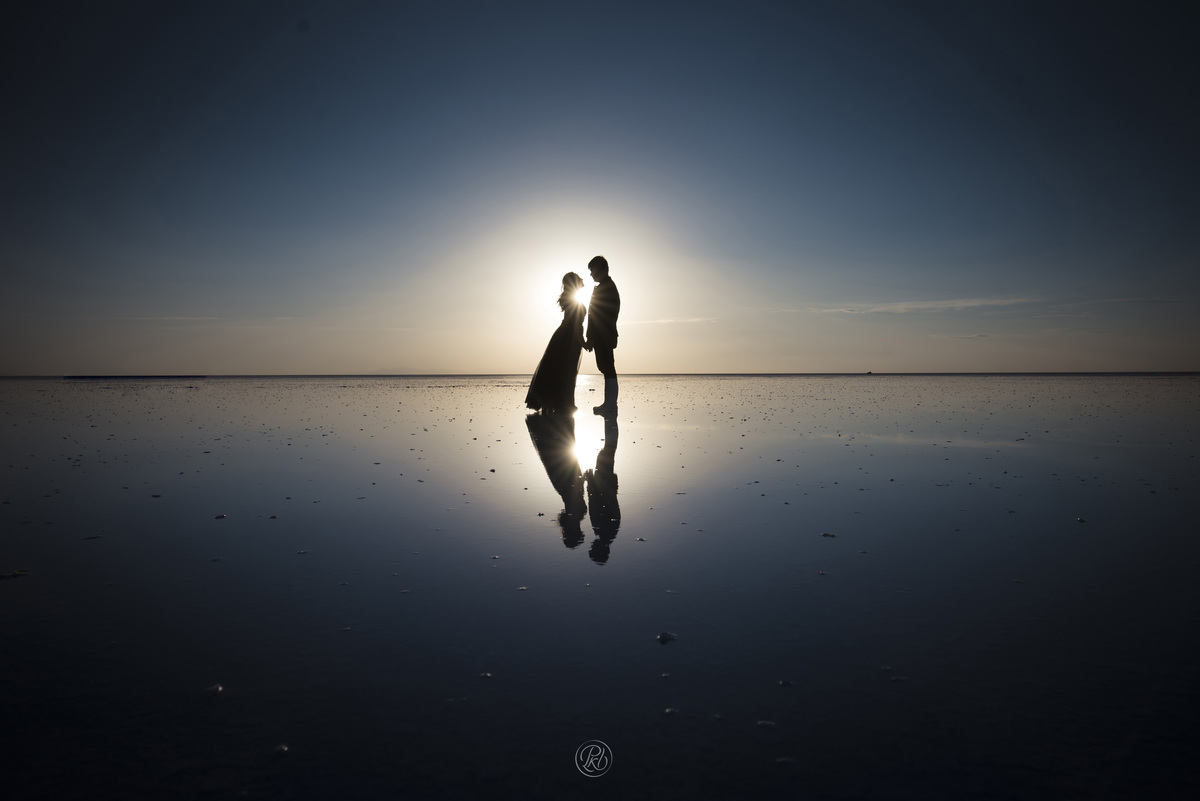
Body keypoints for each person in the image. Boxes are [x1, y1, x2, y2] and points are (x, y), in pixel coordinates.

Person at [525, 272, 586, 414]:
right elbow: (576, 325)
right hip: (569, 339)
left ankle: (556, 403)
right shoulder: (574, 301)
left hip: (564, 337)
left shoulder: (571, 299)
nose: (582, 279)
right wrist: (583, 342)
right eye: (578, 279)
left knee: (559, 370)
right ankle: (564, 403)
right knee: (566, 370)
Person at [583, 255, 620, 416]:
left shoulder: (607, 288)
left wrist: (592, 337)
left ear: (601, 269)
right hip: (602, 335)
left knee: (608, 368)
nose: (591, 274)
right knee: (606, 368)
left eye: (592, 270)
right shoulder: (605, 286)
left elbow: (598, 315)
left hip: (603, 335)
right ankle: (609, 404)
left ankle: (610, 404)